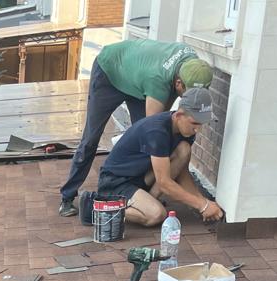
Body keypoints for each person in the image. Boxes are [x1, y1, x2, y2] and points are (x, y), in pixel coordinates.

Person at [58, 39, 213, 217]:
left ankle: (143, 198)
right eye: (188, 94)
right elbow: (155, 131)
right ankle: (67, 196)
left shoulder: (196, 70)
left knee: (151, 145)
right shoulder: (158, 82)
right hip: (110, 70)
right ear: (178, 83)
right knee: (91, 139)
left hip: (139, 79)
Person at [93, 87, 225, 228]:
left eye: (202, 123)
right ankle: (100, 209)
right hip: (116, 182)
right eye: (195, 123)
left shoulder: (185, 131)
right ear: (179, 115)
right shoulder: (157, 131)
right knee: (156, 214)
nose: (198, 129)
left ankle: (145, 202)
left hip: (140, 177)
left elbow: (182, 174)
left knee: (183, 149)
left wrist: (204, 202)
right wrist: (202, 205)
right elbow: (164, 183)